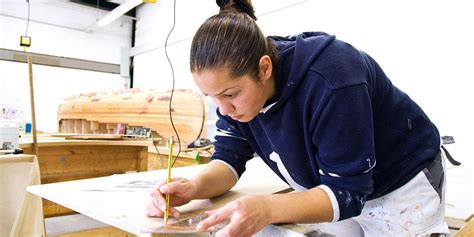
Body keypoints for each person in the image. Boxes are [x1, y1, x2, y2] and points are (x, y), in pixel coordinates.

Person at [147, 0, 451, 236]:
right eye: (211, 97)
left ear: (264, 68)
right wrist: (194, 186)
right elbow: (229, 159)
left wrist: (266, 208)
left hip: (401, 182)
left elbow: (348, 193)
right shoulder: (239, 96)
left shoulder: (333, 79)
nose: (222, 110)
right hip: (334, 188)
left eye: (229, 94)